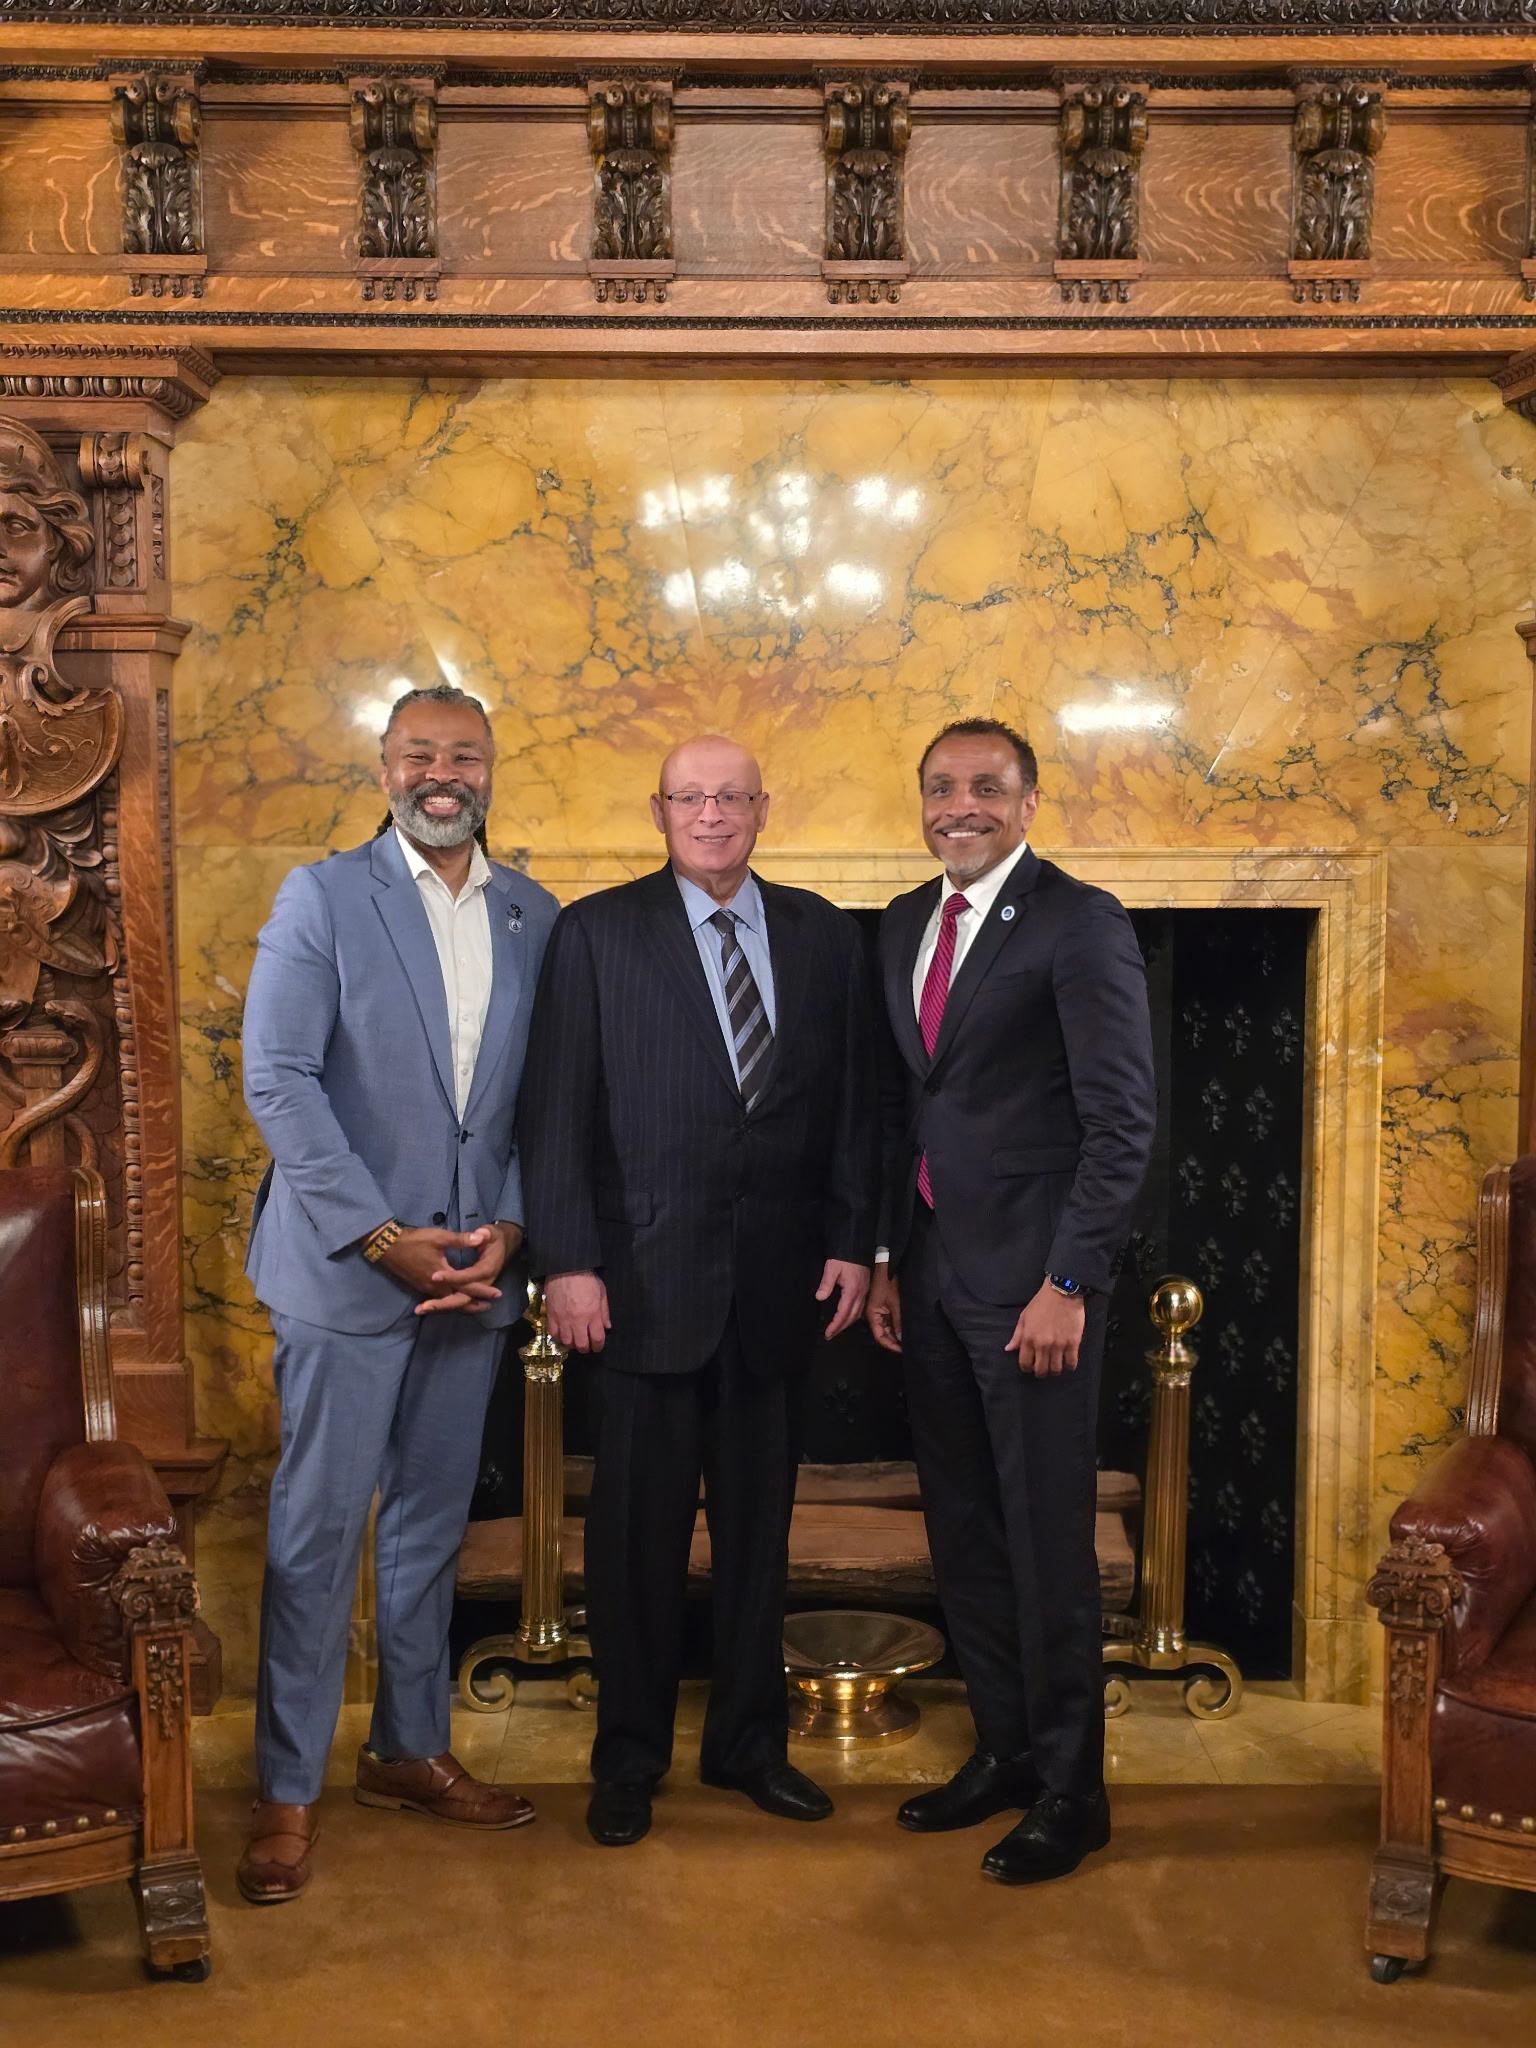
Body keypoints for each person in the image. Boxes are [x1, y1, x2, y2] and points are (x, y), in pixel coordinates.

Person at [518, 734, 878, 1847]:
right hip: (638, 1289)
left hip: (779, 1290)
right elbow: (555, 1109)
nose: (711, 814)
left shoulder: (825, 934)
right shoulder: (597, 932)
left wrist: (856, 1242)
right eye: (690, 797)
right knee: (636, 1544)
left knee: (759, 1539)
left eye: (730, 797)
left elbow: (856, 1104)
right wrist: (568, 1261)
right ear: (659, 810)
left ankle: (748, 1747)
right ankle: (628, 1758)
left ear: (764, 808)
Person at [236, 682, 558, 1903]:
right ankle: (286, 1786)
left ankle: (408, 1748)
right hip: (347, 1276)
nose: (442, 772)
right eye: (419, 752)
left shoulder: (533, 912)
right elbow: (280, 1078)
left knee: (429, 1527)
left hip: (472, 1278)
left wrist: (508, 1231)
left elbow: (539, 1101)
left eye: (463, 754)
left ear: (489, 770)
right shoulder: (323, 896)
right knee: (318, 1533)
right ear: (383, 769)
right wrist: (382, 1237)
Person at [867, 718, 1154, 1885]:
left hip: (1039, 1287)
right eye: (942, 786)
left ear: (1030, 802)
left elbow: (1122, 1120)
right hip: (935, 1275)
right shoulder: (904, 922)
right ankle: (1005, 1750)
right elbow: (912, 1106)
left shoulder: (1080, 921)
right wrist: (890, 1257)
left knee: (1045, 1539)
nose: (961, 805)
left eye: (987, 785)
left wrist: (1070, 1279)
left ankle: (1074, 1791)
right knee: (965, 1530)